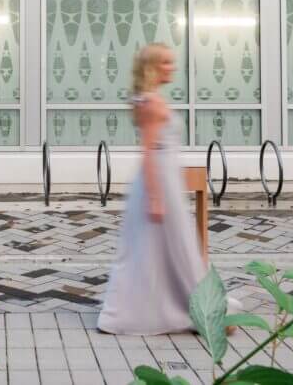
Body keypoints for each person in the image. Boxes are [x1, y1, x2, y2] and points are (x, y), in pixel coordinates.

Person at [97, 43, 232, 335]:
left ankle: (193, 305)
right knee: (172, 247)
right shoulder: (152, 104)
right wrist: (156, 197)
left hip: (165, 180)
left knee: (169, 248)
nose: (173, 68)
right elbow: (146, 151)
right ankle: (200, 310)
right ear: (153, 67)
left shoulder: (149, 99)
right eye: (167, 63)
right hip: (158, 182)